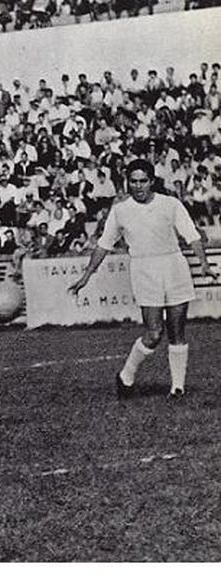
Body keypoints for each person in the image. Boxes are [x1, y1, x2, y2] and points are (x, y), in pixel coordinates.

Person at [69, 159, 217, 399]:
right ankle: (126, 376)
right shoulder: (120, 210)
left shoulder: (170, 204)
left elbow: (191, 235)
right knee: (154, 333)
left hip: (174, 265)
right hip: (144, 269)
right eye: (133, 181)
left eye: (143, 181)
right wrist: (86, 276)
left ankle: (177, 387)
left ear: (152, 182)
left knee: (177, 330)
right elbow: (104, 245)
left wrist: (204, 264)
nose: (138, 186)